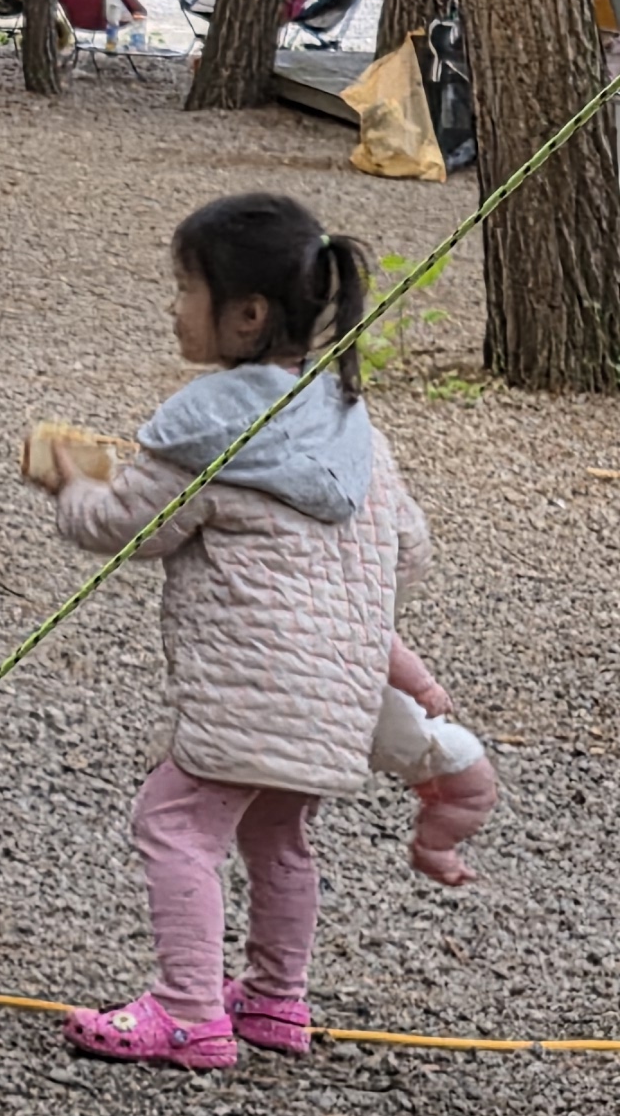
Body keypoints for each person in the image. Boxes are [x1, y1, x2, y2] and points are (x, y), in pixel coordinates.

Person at [25, 193, 425, 1068]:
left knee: (174, 824)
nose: (173, 308)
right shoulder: (351, 424)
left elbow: (126, 527)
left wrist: (69, 487)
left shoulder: (211, 427)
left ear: (246, 315)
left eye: (183, 289)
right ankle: (278, 1001)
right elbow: (410, 543)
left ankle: (189, 1013)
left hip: (250, 690)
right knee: (277, 834)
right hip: (338, 694)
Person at [376, 638, 496, 887]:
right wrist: (426, 689)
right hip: (408, 734)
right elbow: (385, 645)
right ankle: (435, 848)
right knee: (473, 786)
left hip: (330, 730)